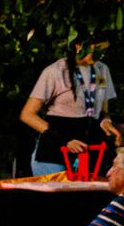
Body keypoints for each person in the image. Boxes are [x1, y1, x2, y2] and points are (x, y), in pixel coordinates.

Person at [18, 40, 117, 177]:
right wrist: (63, 140)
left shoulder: (102, 69)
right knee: (59, 198)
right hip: (54, 153)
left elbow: (103, 111)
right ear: (79, 46)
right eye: (97, 49)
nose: (100, 55)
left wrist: (106, 122)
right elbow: (27, 114)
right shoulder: (55, 71)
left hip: (88, 153)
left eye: (104, 50)